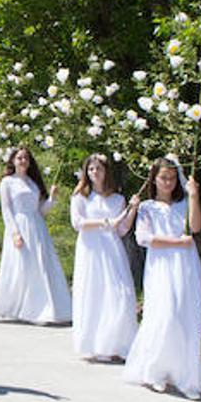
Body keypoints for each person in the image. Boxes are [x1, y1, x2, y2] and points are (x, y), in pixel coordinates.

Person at [122, 158, 201, 399]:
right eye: (163, 178)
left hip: (186, 264)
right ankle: (155, 370)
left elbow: (196, 227)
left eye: (171, 178)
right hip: (161, 265)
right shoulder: (148, 206)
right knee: (164, 313)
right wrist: (176, 242)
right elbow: (144, 238)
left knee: (185, 314)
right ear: (154, 179)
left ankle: (184, 376)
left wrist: (193, 196)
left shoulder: (183, 204)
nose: (168, 182)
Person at [0, 147, 73, 324]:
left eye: (26, 158)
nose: (23, 161)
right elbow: (7, 210)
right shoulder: (7, 182)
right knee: (20, 266)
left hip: (37, 227)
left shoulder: (33, 184)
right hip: (19, 225)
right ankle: (14, 305)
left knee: (40, 265)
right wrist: (14, 233)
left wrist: (52, 199)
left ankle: (41, 308)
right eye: (19, 158)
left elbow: (41, 210)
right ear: (13, 161)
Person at [69, 153, 140, 361]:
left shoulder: (118, 199)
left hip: (112, 250)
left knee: (118, 293)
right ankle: (93, 344)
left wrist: (133, 209)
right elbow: (78, 223)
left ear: (106, 171)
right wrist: (105, 222)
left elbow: (123, 229)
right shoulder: (80, 197)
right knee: (93, 293)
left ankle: (116, 343)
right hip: (90, 250)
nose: (94, 173)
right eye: (91, 169)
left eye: (98, 169)